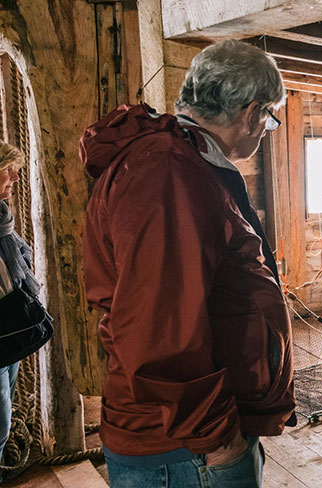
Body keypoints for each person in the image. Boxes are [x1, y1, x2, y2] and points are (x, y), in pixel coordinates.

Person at [81, 40, 296, 488]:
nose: (266, 129)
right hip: (184, 446)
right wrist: (217, 438)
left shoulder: (179, 162)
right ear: (252, 112)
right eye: (270, 118)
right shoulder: (167, 171)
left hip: (183, 437)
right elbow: (158, 329)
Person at [0, 143, 38, 483]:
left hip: (9, 324)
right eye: (8, 169)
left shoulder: (2, 218)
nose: (15, 176)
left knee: (4, 417)